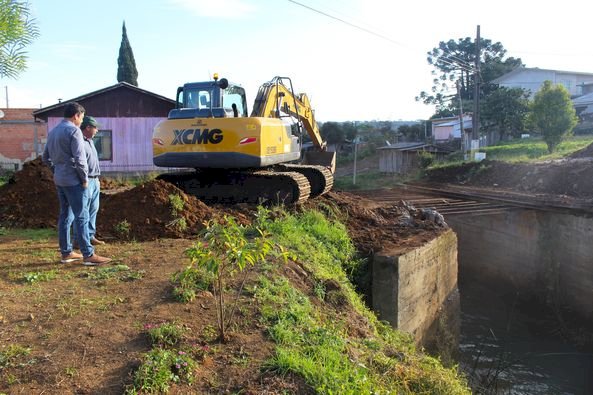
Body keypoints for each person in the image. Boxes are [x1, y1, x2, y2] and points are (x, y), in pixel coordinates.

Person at [42, 102, 111, 266]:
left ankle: (66, 253)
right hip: (75, 181)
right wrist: (85, 179)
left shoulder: (53, 132)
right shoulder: (73, 131)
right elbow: (80, 160)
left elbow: (45, 157)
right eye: (81, 117)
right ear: (76, 115)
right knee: (82, 216)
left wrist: (57, 170)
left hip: (60, 179)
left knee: (65, 215)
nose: (82, 121)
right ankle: (88, 254)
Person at [72, 115, 106, 247]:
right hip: (85, 181)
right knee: (82, 211)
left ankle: (90, 235)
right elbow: (78, 162)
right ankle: (78, 239)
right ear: (87, 127)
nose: (97, 130)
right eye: (95, 128)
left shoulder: (90, 141)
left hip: (95, 180)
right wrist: (83, 179)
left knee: (93, 209)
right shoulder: (79, 141)